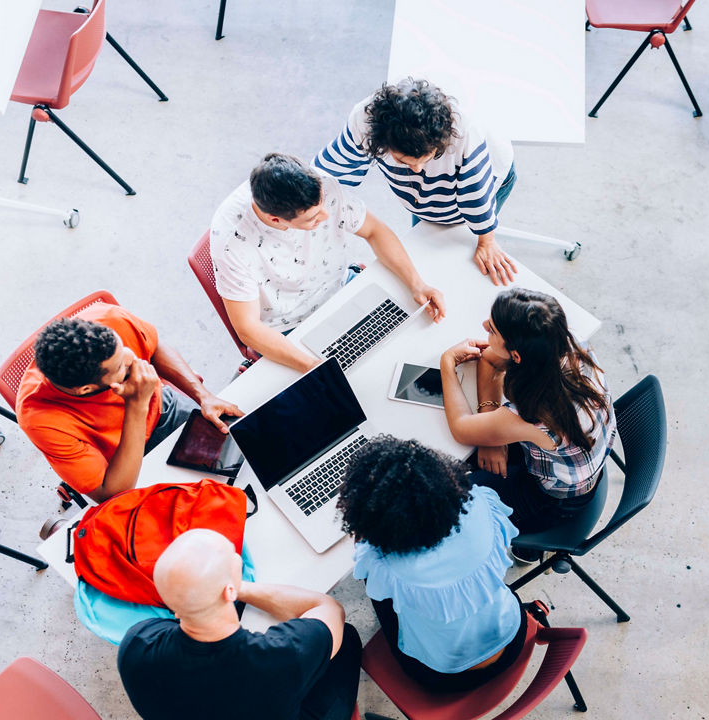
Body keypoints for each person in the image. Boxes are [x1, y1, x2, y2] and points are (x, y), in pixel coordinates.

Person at [210, 153, 446, 372]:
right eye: (313, 218)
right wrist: (315, 367)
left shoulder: (321, 185)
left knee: (417, 346)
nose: (326, 216)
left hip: (343, 288)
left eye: (323, 205)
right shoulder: (232, 243)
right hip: (290, 327)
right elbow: (248, 328)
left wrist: (417, 284)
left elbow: (374, 231)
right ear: (275, 219)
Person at [338, 436, 527, 692]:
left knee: (373, 584)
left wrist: (364, 537)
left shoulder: (384, 567)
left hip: (443, 675)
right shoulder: (482, 503)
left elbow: (367, 564)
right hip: (512, 636)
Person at [117, 529, 361, 720]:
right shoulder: (282, 656)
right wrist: (239, 589)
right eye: (233, 555)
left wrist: (216, 590)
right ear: (229, 590)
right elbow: (329, 608)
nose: (237, 556)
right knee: (347, 638)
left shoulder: (135, 644)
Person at [16, 303, 242, 504]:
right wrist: (137, 405)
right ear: (86, 390)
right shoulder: (40, 419)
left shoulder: (109, 318)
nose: (133, 361)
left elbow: (153, 347)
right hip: (120, 465)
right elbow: (112, 493)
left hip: (165, 409)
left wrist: (204, 396)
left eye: (123, 348)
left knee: (242, 464)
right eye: (121, 369)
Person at [439, 289, 616, 540]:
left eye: (492, 330)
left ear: (517, 356)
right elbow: (489, 360)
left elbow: (460, 428)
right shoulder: (566, 344)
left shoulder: (539, 413)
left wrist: (447, 364)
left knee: (445, 499)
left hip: (553, 501)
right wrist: (492, 433)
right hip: (576, 467)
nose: (484, 326)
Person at [315, 77, 519, 286]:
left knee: (452, 256)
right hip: (434, 189)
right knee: (424, 242)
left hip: (487, 176)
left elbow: (476, 196)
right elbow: (329, 174)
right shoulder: (364, 120)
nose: (417, 170)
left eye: (425, 160)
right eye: (404, 161)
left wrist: (486, 240)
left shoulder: (465, 134)